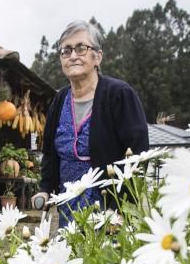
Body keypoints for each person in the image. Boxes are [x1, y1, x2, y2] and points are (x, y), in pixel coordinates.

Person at [37, 20, 149, 222]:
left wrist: (121, 208)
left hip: (110, 211)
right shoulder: (59, 100)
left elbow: (138, 153)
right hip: (68, 210)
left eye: (81, 48)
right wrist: (46, 189)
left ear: (98, 56)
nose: (73, 56)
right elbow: (49, 154)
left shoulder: (119, 95)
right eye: (66, 50)